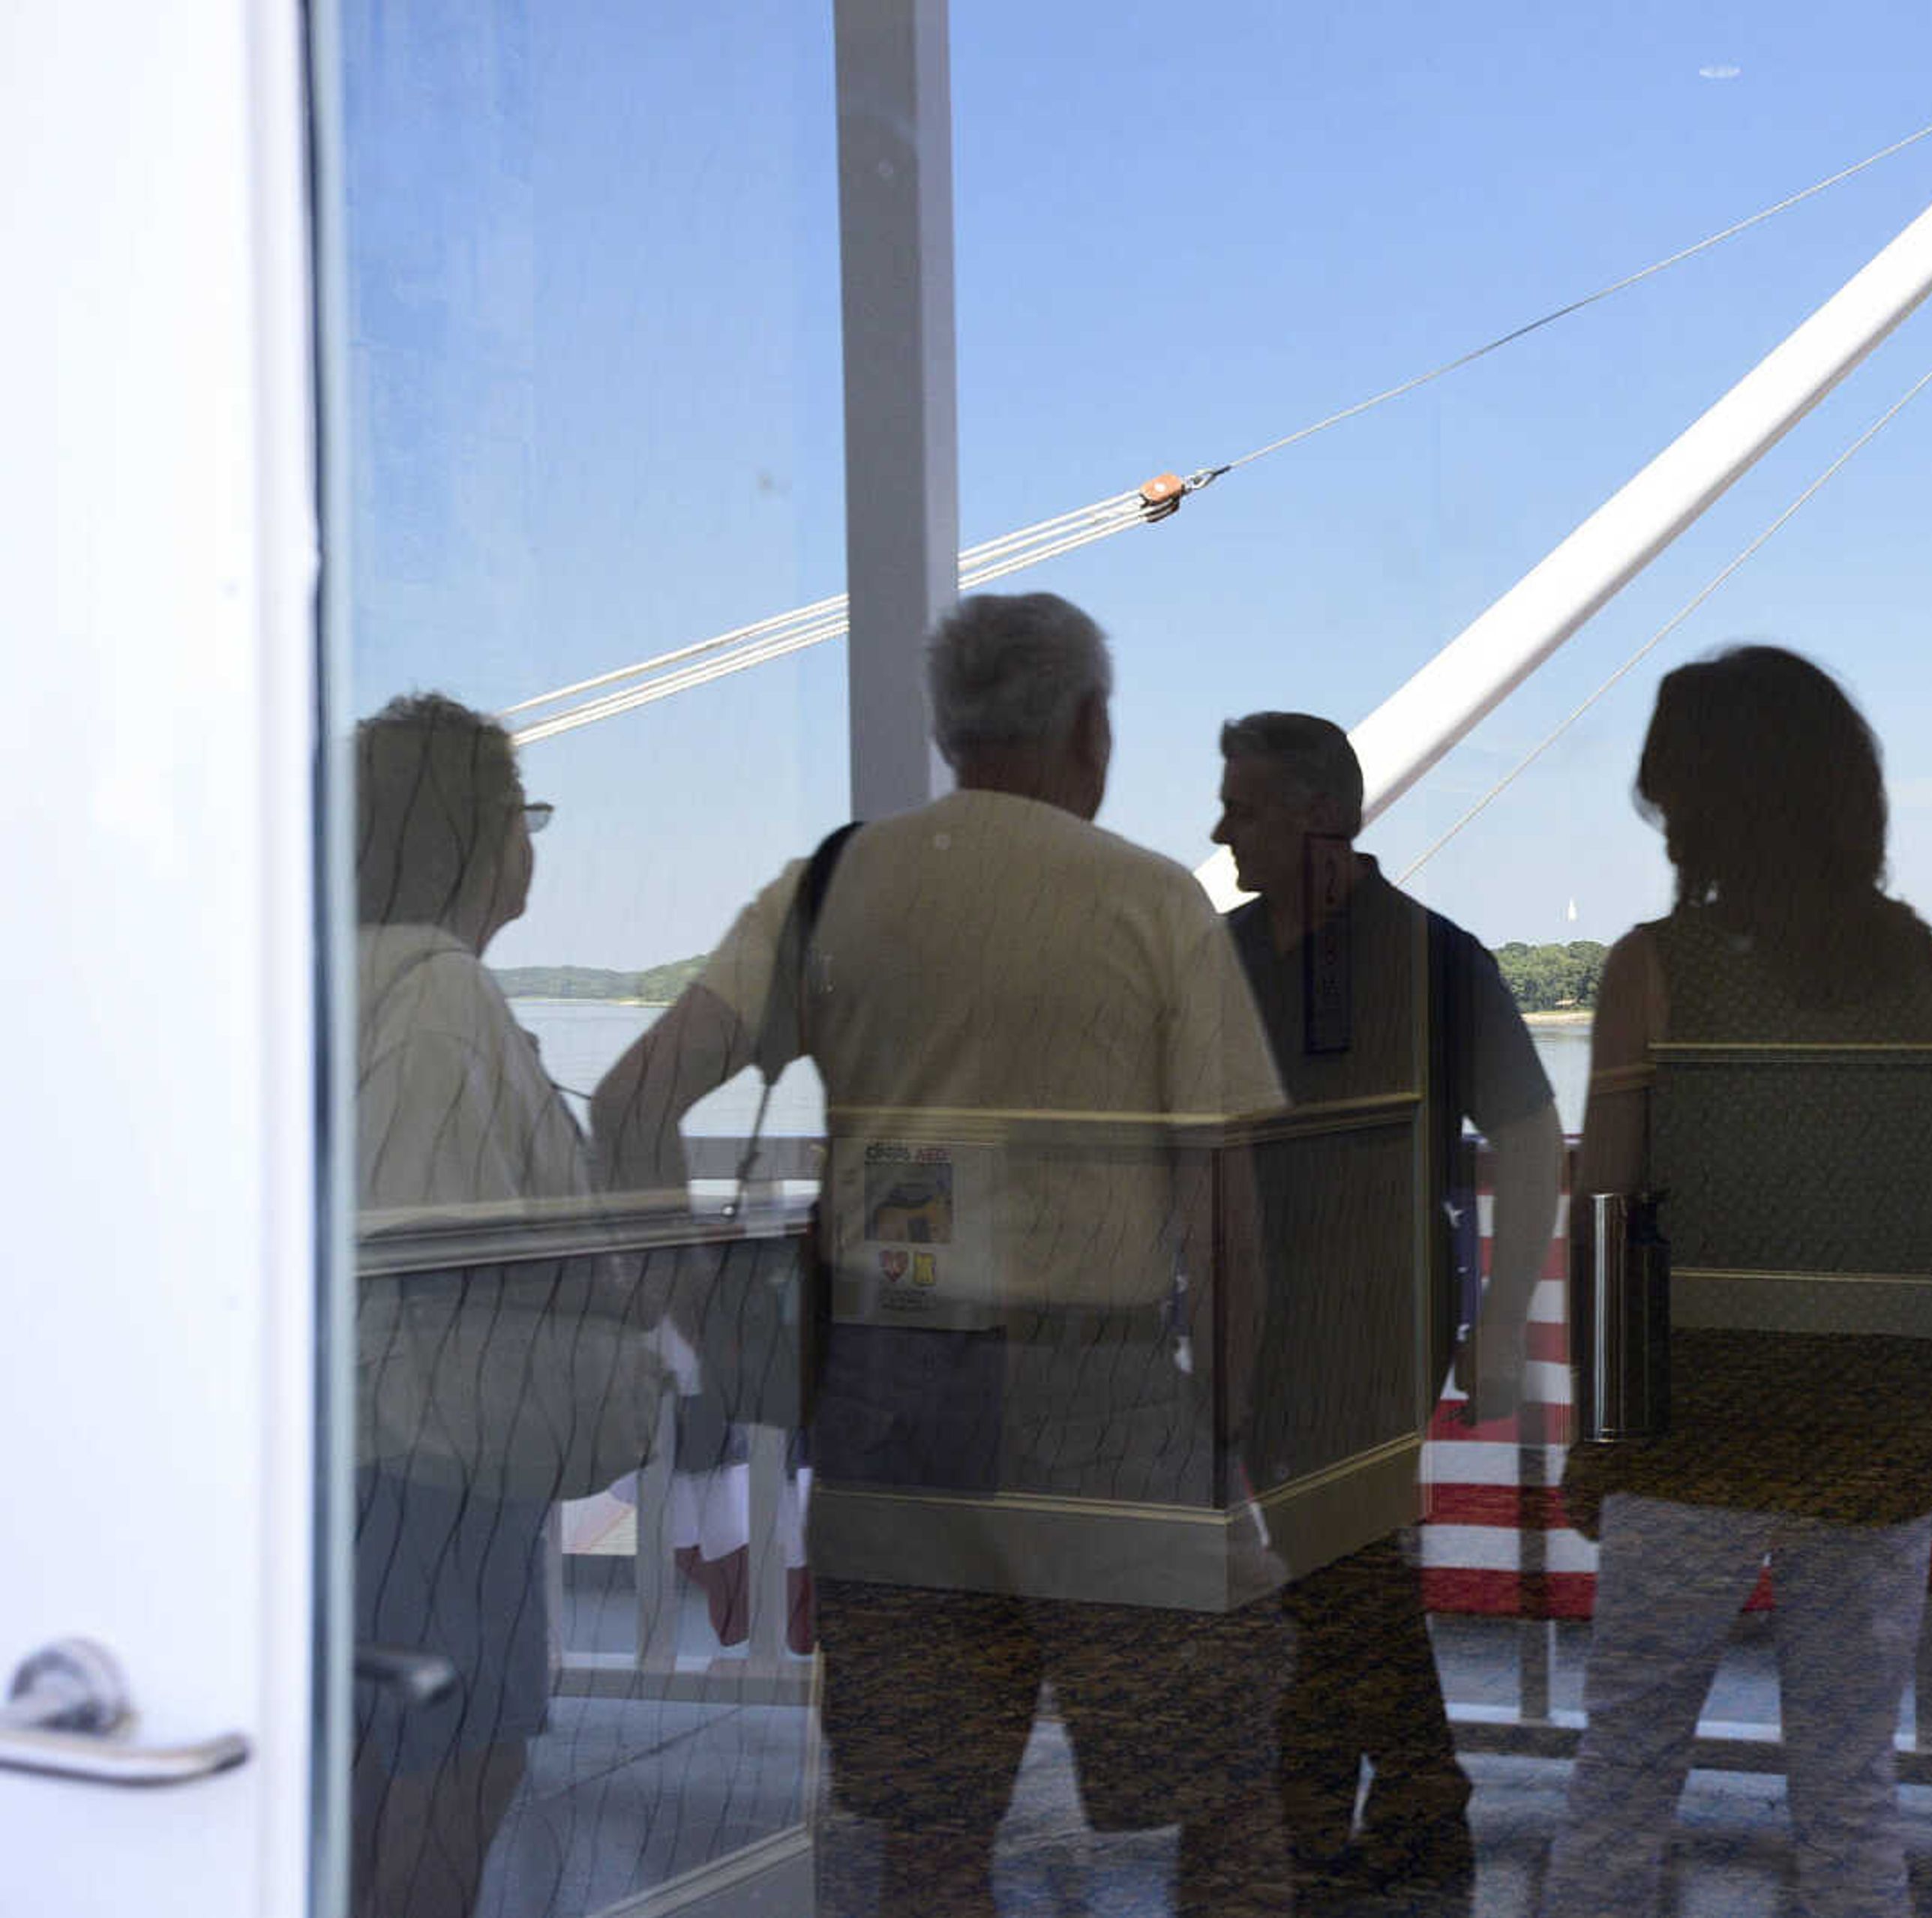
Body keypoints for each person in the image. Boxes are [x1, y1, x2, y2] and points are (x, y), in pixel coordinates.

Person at [591, 593, 1294, 1917]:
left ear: (944, 726)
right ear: (1091, 725)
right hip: (1105, 1405)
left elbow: (632, 1100)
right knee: (1227, 1785)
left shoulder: (835, 885)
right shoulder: (1153, 904)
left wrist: (680, 1305)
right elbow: (1225, 1214)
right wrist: (1226, 1434)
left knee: (928, 1829)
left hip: (888, 1402)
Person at [1540, 646, 1932, 1918]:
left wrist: (1600, 1440)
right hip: (1875, 1419)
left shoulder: (1654, 967)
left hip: (1697, 1429)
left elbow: (1609, 1214)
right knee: (1849, 1786)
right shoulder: (1916, 964)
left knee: (1624, 1772)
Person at [1211, 712, 1562, 1914]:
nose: (1220, 828)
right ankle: (1381, 1808)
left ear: (1320, 816)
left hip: (1381, 1316)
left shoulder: (1433, 956)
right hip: (1250, 1318)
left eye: (1242, 805)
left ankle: (1385, 1808)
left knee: (1336, 1563)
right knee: (1334, 1571)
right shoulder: (1224, 957)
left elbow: (1526, 1131)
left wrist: (1507, 1320)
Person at [347, 693, 590, 1918]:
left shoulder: (342, 978)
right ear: (477, 835)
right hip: (437, 1483)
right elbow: (437, 1277)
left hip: (366, 1480)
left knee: (363, 1792)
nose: (532, 844)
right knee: (447, 1788)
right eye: (524, 814)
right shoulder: (439, 995)